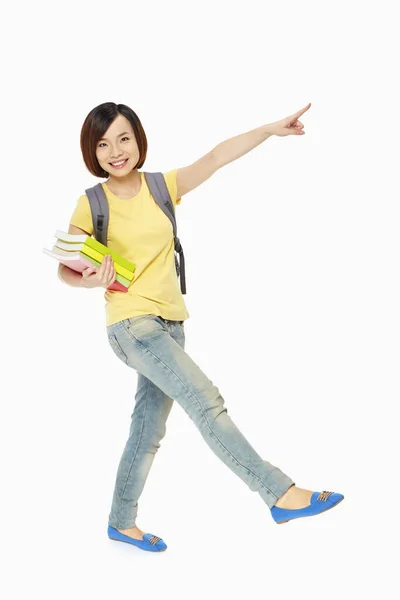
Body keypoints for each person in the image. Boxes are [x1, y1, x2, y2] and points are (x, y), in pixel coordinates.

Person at [58, 101, 344, 552]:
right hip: (132, 325)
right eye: (103, 143)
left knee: (147, 430)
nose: (116, 151)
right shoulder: (91, 202)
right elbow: (66, 268)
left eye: (123, 138)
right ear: (92, 152)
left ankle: (121, 522)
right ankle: (280, 493)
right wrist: (88, 278)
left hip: (171, 325)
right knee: (207, 403)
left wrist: (268, 130)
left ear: (138, 139)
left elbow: (214, 157)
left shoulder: (160, 187)